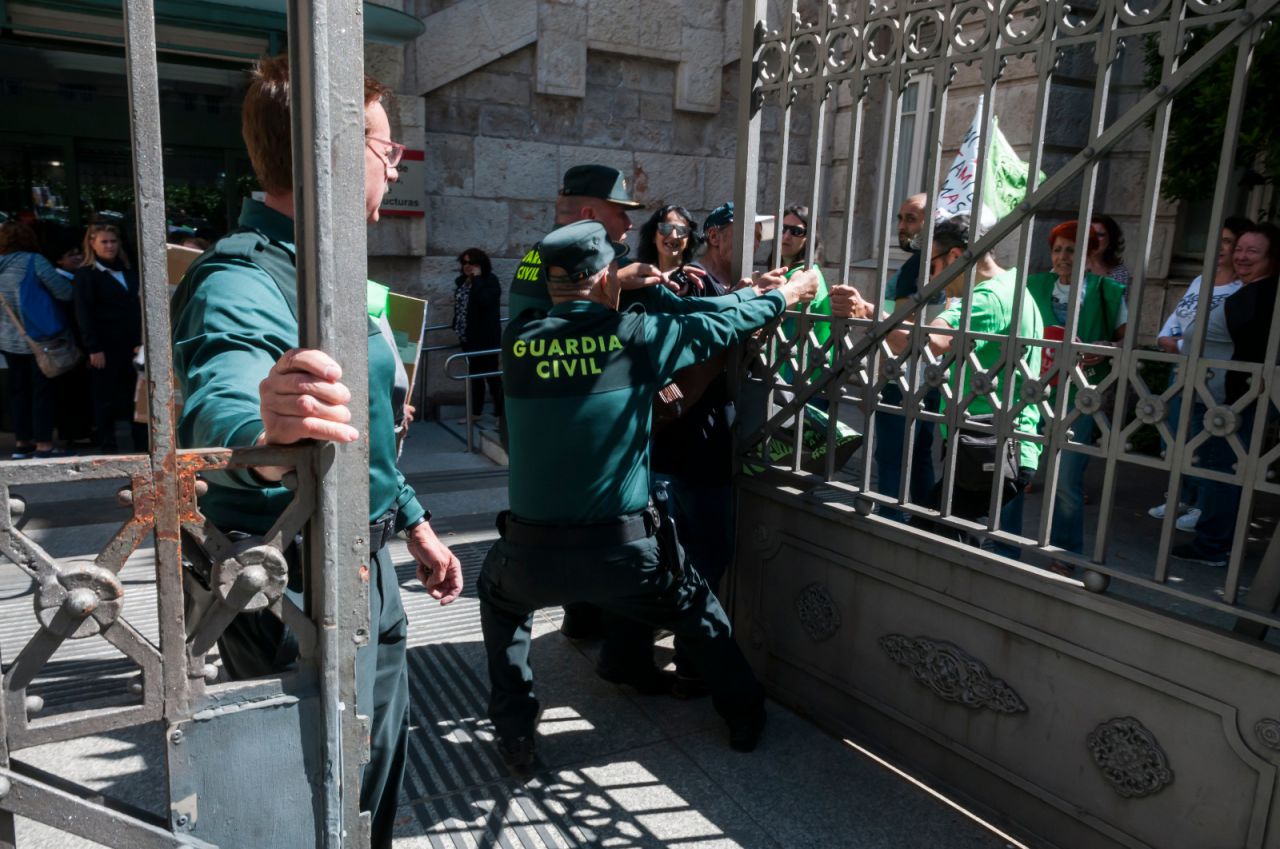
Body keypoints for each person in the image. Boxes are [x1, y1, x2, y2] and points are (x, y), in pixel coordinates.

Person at [169, 55, 463, 849]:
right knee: (309, 806)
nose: (394, 163)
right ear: (331, 152)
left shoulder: (327, 269)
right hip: (289, 580)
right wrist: (264, 434)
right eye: (384, 146)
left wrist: (415, 521)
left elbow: (363, 422)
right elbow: (222, 397)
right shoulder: (241, 274)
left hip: (364, 566)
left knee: (370, 786)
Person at [478, 218, 819, 769]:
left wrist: (614, 284)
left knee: (499, 604)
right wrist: (785, 293)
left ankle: (516, 731)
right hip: (626, 555)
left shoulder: (517, 341)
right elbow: (731, 321)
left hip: (530, 556)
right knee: (703, 617)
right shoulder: (634, 336)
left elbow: (530, 294)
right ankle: (744, 717)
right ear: (607, 277)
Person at [832, 214, 1043, 557]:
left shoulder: (988, 299)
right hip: (991, 442)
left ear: (958, 257)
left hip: (989, 446)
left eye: (932, 265)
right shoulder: (1014, 287)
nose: (931, 277)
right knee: (932, 537)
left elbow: (926, 342)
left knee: (936, 554)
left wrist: (867, 311)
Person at [1172, 223, 1279, 567]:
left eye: (1253, 251)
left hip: (1233, 402)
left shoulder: (1263, 297)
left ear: (1272, 258)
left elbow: (1253, 352)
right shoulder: (1253, 292)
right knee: (1223, 469)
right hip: (1222, 398)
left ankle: (1213, 546)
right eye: (1240, 249)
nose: (1242, 256)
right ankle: (1217, 540)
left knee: (1223, 471)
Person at [1026, 220, 1127, 569]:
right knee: (1015, 466)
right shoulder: (1032, 286)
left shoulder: (1106, 291)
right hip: (1032, 390)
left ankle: (1065, 553)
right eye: (1057, 250)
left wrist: (1109, 346)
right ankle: (1001, 539)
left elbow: (1126, 342)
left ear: (1088, 254)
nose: (1063, 257)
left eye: (1072, 250)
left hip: (1081, 395)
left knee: (1066, 479)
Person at [1149, 216, 1252, 530]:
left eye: (1226, 241)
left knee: (1204, 440)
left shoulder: (1242, 289)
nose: (1220, 248)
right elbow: (1169, 331)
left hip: (1212, 377)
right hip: (1180, 371)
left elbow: (1219, 340)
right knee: (1176, 439)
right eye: (1215, 240)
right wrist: (1180, 344)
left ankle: (1202, 506)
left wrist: (1182, 344)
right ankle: (1182, 496)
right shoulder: (1200, 281)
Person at [875, 193, 944, 522]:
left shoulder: (919, 265)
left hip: (904, 374)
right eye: (901, 218)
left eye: (911, 219)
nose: (902, 227)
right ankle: (925, 519)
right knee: (918, 455)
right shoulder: (930, 264)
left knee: (892, 456)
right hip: (927, 374)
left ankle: (890, 521)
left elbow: (902, 329)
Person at [0, 221, 74, 458]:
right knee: (43, 392)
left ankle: (22, 443)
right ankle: (44, 445)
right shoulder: (34, 261)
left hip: (7, 341)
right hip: (39, 339)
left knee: (18, 392)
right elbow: (64, 291)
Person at [74, 221, 144, 453]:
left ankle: (141, 443)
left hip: (133, 346)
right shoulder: (86, 276)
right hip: (104, 348)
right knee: (105, 398)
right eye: (104, 241)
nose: (110, 246)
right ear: (92, 244)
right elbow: (83, 313)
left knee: (135, 395)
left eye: (113, 241)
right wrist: (93, 348)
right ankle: (107, 445)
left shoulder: (129, 271)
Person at [452, 248, 503, 423]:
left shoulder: (490, 281)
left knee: (492, 376)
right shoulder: (462, 282)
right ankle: (475, 412)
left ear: (481, 265)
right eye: (464, 262)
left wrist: (478, 279)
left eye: (471, 263)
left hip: (486, 338)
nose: (467, 266)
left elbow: (485, 301)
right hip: (468, 336)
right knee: (474, 376)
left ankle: (501, 414)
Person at [635, 204, 700, 275]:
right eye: (665, 228)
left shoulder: (697, 279)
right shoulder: (637, 279)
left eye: (682, 230)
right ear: (653, 236)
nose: (674, 236)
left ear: (688, 241)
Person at [1087, 215, 1132, 288]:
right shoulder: (1070, 264)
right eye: (1090, 234)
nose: (1094, 239)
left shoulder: (1119, 272)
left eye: (1100, 235)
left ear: (1111, 240)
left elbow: (1121, 299)